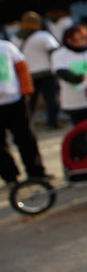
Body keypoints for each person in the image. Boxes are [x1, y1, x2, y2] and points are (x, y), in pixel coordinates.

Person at [0, 37, 47, 187]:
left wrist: (26, 89)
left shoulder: (6, 47)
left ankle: (36, 173)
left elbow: (22, 67)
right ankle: (10, 177)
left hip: (15, 101)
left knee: (26, 137)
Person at [18, 12, 61, 129]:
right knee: (51, 100)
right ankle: (52, 123)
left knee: (30, 103)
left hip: (29, 74)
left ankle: (27, 125)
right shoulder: (43, 36)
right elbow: (56, 53)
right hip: (46, 73)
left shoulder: (16, 38)